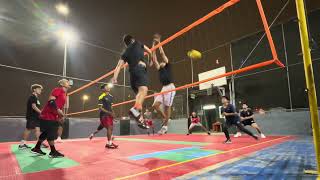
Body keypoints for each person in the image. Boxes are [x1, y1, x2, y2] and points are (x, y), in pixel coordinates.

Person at [112, 34, 152, 129]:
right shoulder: (138, 43)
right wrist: (151, 61)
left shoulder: (125, 52)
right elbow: (150, 51)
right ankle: (134, 109)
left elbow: (118, 66)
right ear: (133, 40)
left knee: (139, 97)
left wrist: (115, 78)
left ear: (126, 44)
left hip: (132, 76)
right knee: (143, 90)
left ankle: (140, 120)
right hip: (140, 70)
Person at [31, 79, 70, 158]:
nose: (68, 82)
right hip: (47, 114)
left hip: (52, 115)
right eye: (67, 81)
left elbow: (59, 106)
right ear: (62, 84)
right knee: (51, 133)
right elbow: (51, 101)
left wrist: (60, 116)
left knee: (46, 132)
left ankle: (37, 148)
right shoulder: (57, 90)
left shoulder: (64, 94)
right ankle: (53, 151)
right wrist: (58, 111)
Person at [151, 34, 176, 135]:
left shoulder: (167, 65)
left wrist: (159, 43)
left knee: (167, 107)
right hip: (163, 88)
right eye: (160, 62)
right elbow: (154, 58)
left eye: (162, 62)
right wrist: (153, 45)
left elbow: (161, 53)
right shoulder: (159, 69)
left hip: (170, 87)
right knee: (155, 105)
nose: (161, 62)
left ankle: (165, 126)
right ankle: (166, 118)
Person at [19, 84, 48, 149]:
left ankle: (39, 143)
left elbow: (36, 107)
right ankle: (22, 144)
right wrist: (41, 113)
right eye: (39, 89)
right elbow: (33, 106)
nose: (40, 90)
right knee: (28, 129)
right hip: (32, 116)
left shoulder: (36, 98)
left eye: (41, 89)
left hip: (36, 117)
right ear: (34, 89)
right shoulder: (32, 97)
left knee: (38, 129)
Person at [93, 84, 118, 148]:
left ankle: (108, 143)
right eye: (106, 87)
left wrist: (114, 115)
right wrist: (109, 112)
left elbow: (111, 107)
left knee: (111, 128)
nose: (108, 87)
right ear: (103, 89)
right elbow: (100, 108)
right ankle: (109, 143)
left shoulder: (111, 96)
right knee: (109, 127)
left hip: (110, 114)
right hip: (104, 115)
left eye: (108, 86)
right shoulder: (101, 96)